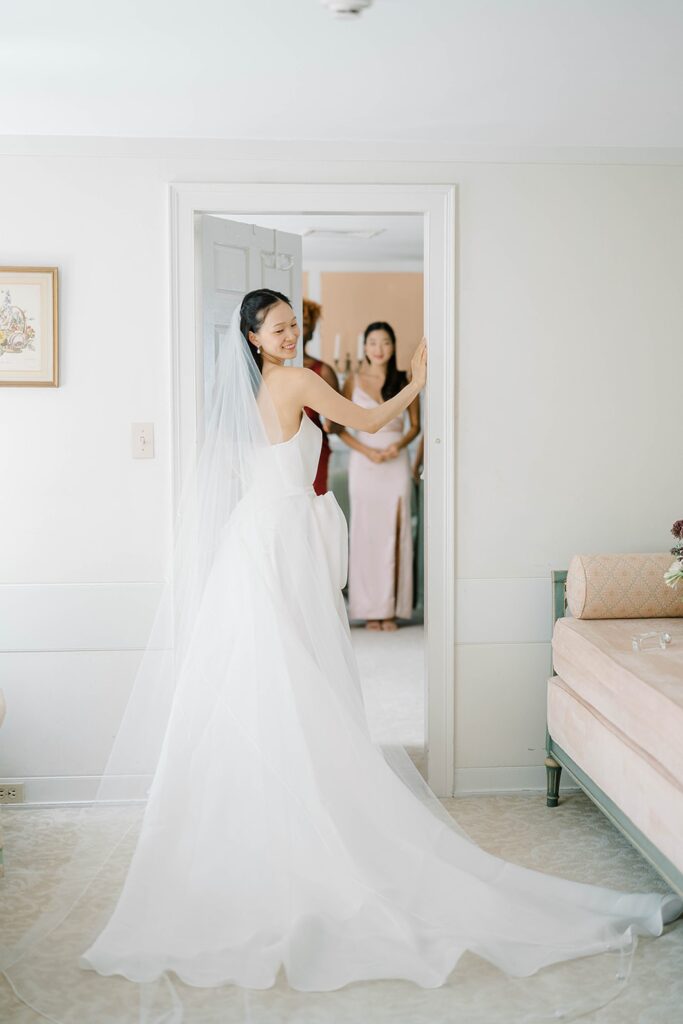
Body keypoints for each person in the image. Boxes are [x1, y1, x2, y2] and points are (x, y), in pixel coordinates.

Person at [2, 288, 680, 1024]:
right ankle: (304, 818)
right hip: (283, 540)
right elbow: (368, 418)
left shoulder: (244, 393)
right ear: (256, 339)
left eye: (295, 325)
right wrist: (417, 383)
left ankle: (266, 826)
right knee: (296, 678)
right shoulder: (291, 381)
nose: (293, 336)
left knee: (258, 683)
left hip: (253, 542)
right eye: (280, 328)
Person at [338, 321, 420, 631]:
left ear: (393, 346)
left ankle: (391, 609)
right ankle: (369, 609)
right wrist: (367, 451)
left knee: (394, 532)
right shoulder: (352, 381)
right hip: (364, 463)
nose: (379, 348)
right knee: (365, 533)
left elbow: (415, 426)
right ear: (365, 347)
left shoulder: (405, 380)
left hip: (395, 463)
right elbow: (339, 428)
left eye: (385, 342)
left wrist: (397, 446)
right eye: (373, 342)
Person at [301, 297, 342, 495]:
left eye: (305, 324)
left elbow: (337, 423)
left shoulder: (323, 371)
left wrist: (332, 420)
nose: (299, 330)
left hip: (315, 450)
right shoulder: (268, 371)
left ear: (312, 332)